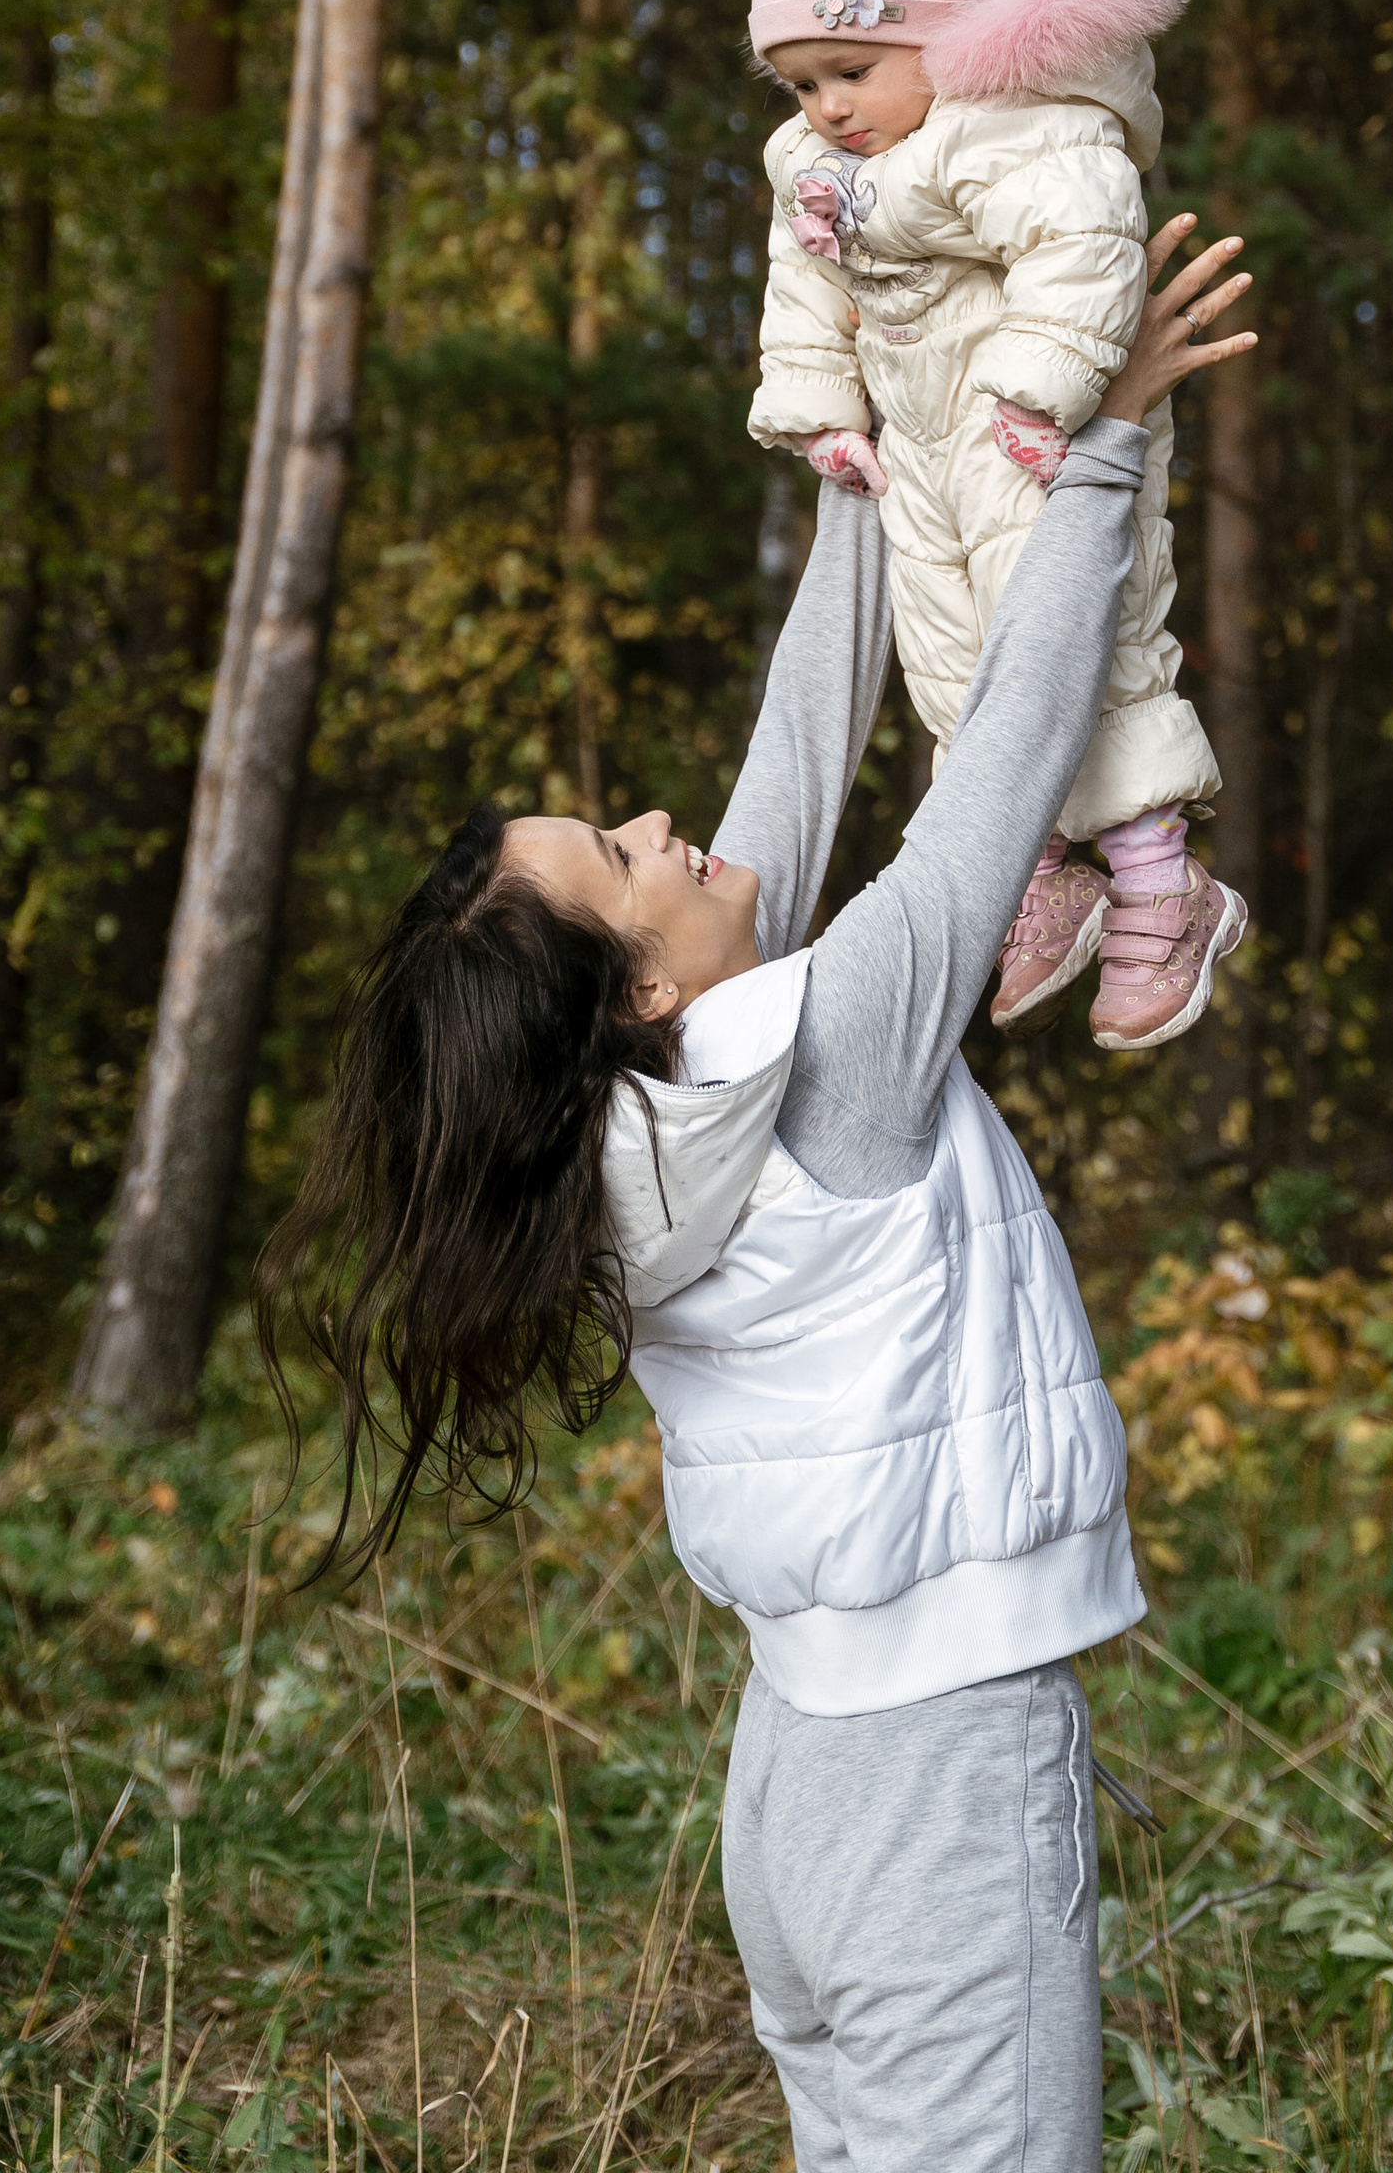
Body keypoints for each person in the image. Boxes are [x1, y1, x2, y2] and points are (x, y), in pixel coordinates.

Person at [260, 219, 1256, 2173]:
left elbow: (794, 758)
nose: (664, 822)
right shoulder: (836, 1063)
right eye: (626, 849)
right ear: (641, 986)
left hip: (799, 1785)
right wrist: (1113, 439)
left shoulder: (639, 1134)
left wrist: (860, 471)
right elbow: (998, 782)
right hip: (939, 1784)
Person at [747, 0, 1245, 1051]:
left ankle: (1162, 883)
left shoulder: (1024, 128)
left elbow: (1089, 246)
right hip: (918, 446)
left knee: (1085, 635)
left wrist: (1041, 390)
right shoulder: (813, 167)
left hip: (1040, 422)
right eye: (801, 82)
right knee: (955, 658)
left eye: (851, 71)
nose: (827, 108)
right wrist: (821, 411)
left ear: (941, 40)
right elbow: (801, 290)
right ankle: (1041, 870)